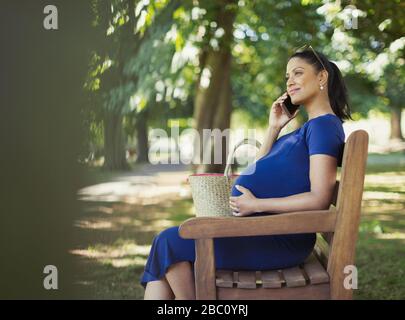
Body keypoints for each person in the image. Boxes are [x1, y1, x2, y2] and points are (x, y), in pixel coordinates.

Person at [141, 47, 352, 300]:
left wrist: (255, 204)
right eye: (287, 77)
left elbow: (319, 198)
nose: (290, 81)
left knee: (168, 242)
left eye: (298, 73)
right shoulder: (305, 129)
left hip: (275, 238)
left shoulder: (323, 127)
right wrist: (273, 128)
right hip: (258, 231)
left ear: (322, 77)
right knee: (164, 249)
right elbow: (257, 168)